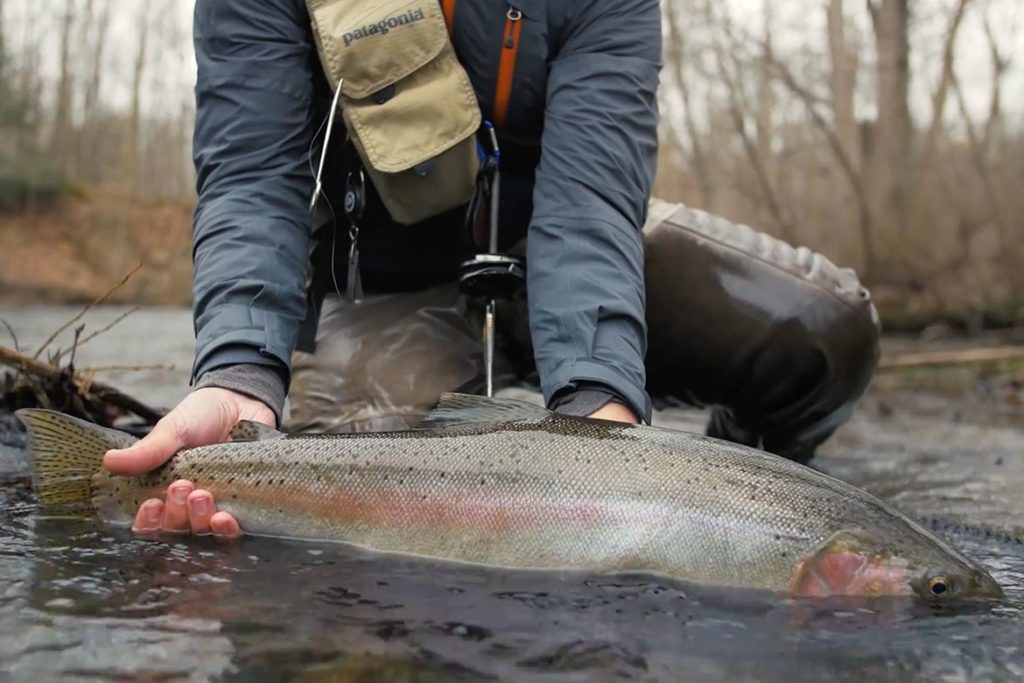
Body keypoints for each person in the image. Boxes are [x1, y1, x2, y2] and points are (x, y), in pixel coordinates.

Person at [104, 0, 880, 540]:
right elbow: (252, 176)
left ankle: (735, 521)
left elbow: (594, 204)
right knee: (305, 530)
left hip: (568, 255)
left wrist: (601, 409)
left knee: (819, 331)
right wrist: (238, 372)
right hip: (384, 296)